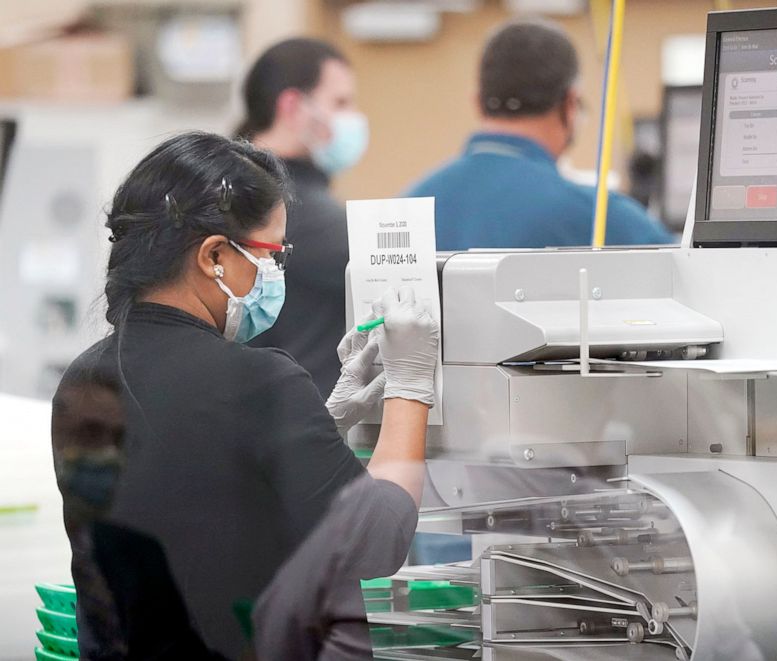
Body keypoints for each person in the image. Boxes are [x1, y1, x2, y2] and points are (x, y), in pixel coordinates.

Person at [53, 131, 438, 659]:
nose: (275, 272)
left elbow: (207, 499)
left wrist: (316, 424)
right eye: (271, 253)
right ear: (214, 255)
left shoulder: (82, 379)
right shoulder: (258, 382)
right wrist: (411, 387)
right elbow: (377, 541)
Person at [405, 18, 674, 250]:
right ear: (570, 105)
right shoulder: (600, 216)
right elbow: (688, 269)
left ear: (477, 102)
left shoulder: (409, 208)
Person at [237, 38, 369, 398]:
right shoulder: (288, 207)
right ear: (293, 106)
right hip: (294, 417)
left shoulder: (232, 186)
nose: (353, 118)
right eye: (339, 102)